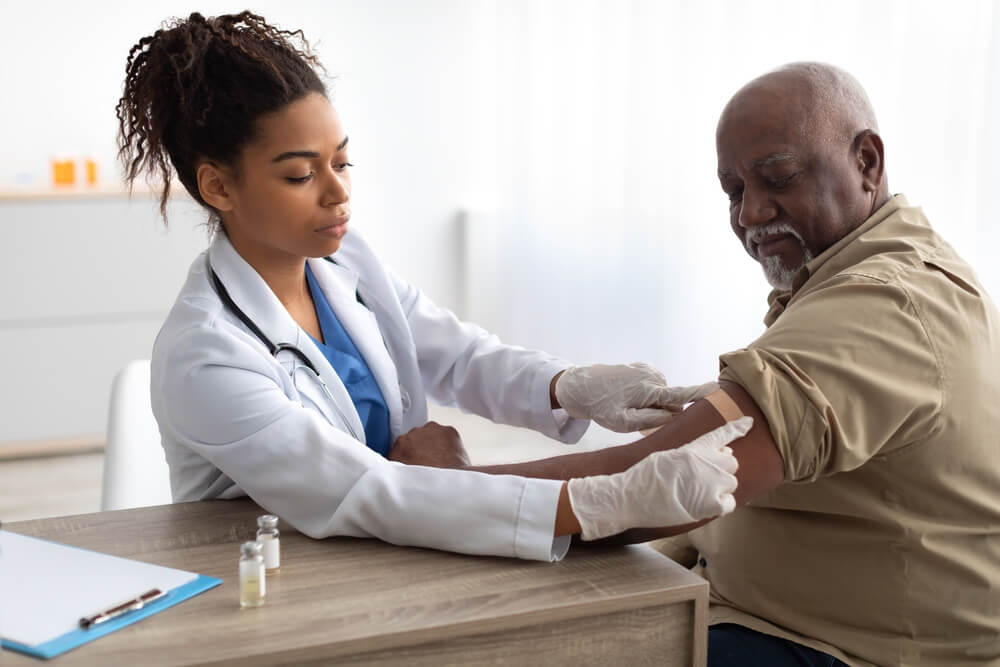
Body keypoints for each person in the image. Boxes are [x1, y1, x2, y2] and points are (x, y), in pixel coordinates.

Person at [398, 62, 1000, 666]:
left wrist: (450, 486)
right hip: (771, 611)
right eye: (734, 192)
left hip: (834, 647)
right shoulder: (858, 272)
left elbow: (652, 480)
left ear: (866, 161)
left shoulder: (884, 303)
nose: (751, 214)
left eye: (778, 178)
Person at [116, 11, 744, 563]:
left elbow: (458, 355)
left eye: (342, 162)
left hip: (390, 550)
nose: (338, 192)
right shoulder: (205, 352)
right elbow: (363, 490)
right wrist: (594, 502)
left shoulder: (345, 264)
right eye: (302, 174)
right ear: (219, 187)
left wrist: (568, 387)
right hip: (278, 576)